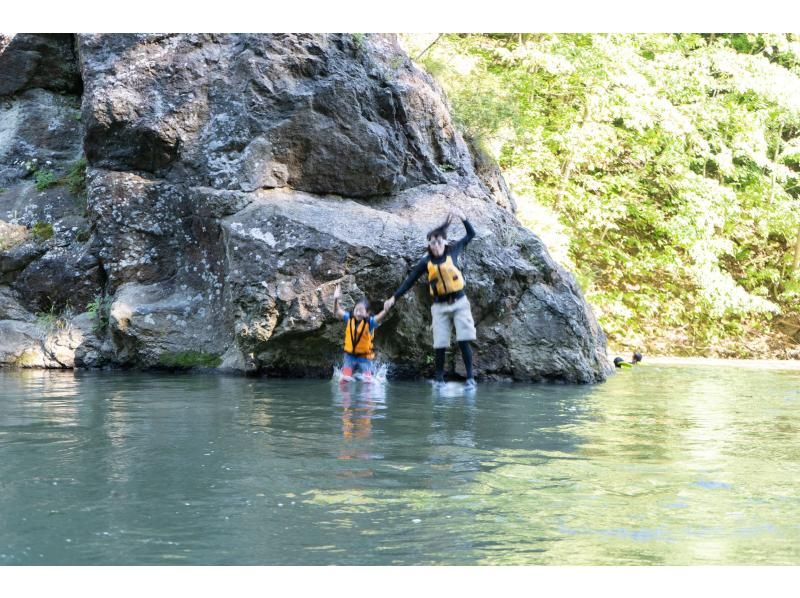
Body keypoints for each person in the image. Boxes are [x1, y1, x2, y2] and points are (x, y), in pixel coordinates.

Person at [383, 207, 477, 390]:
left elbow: (471, 234)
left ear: (444, 242)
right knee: (440, 343)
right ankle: (439, 380)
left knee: (463, 339)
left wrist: (464, 218)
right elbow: (409, 281)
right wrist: (393, 298)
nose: (435, 245)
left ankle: (470, 379)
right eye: (432, 243)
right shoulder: (426, 263)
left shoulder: (453, 251)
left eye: (438, 242)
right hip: (440, 306)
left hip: (459, 303)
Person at [332, 284, 390, 382]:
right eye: (356, 310)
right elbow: (336, 311)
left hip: (364, 358)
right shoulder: (349, 318)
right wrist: (335, 299)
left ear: (367, 313)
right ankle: (345, 397)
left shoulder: (370, 323)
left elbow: (379, 317)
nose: (358, 313)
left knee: (368, 381)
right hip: (350, 356)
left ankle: (368, 397)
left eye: (361, 311)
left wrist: (385, 310)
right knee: (344, 380)